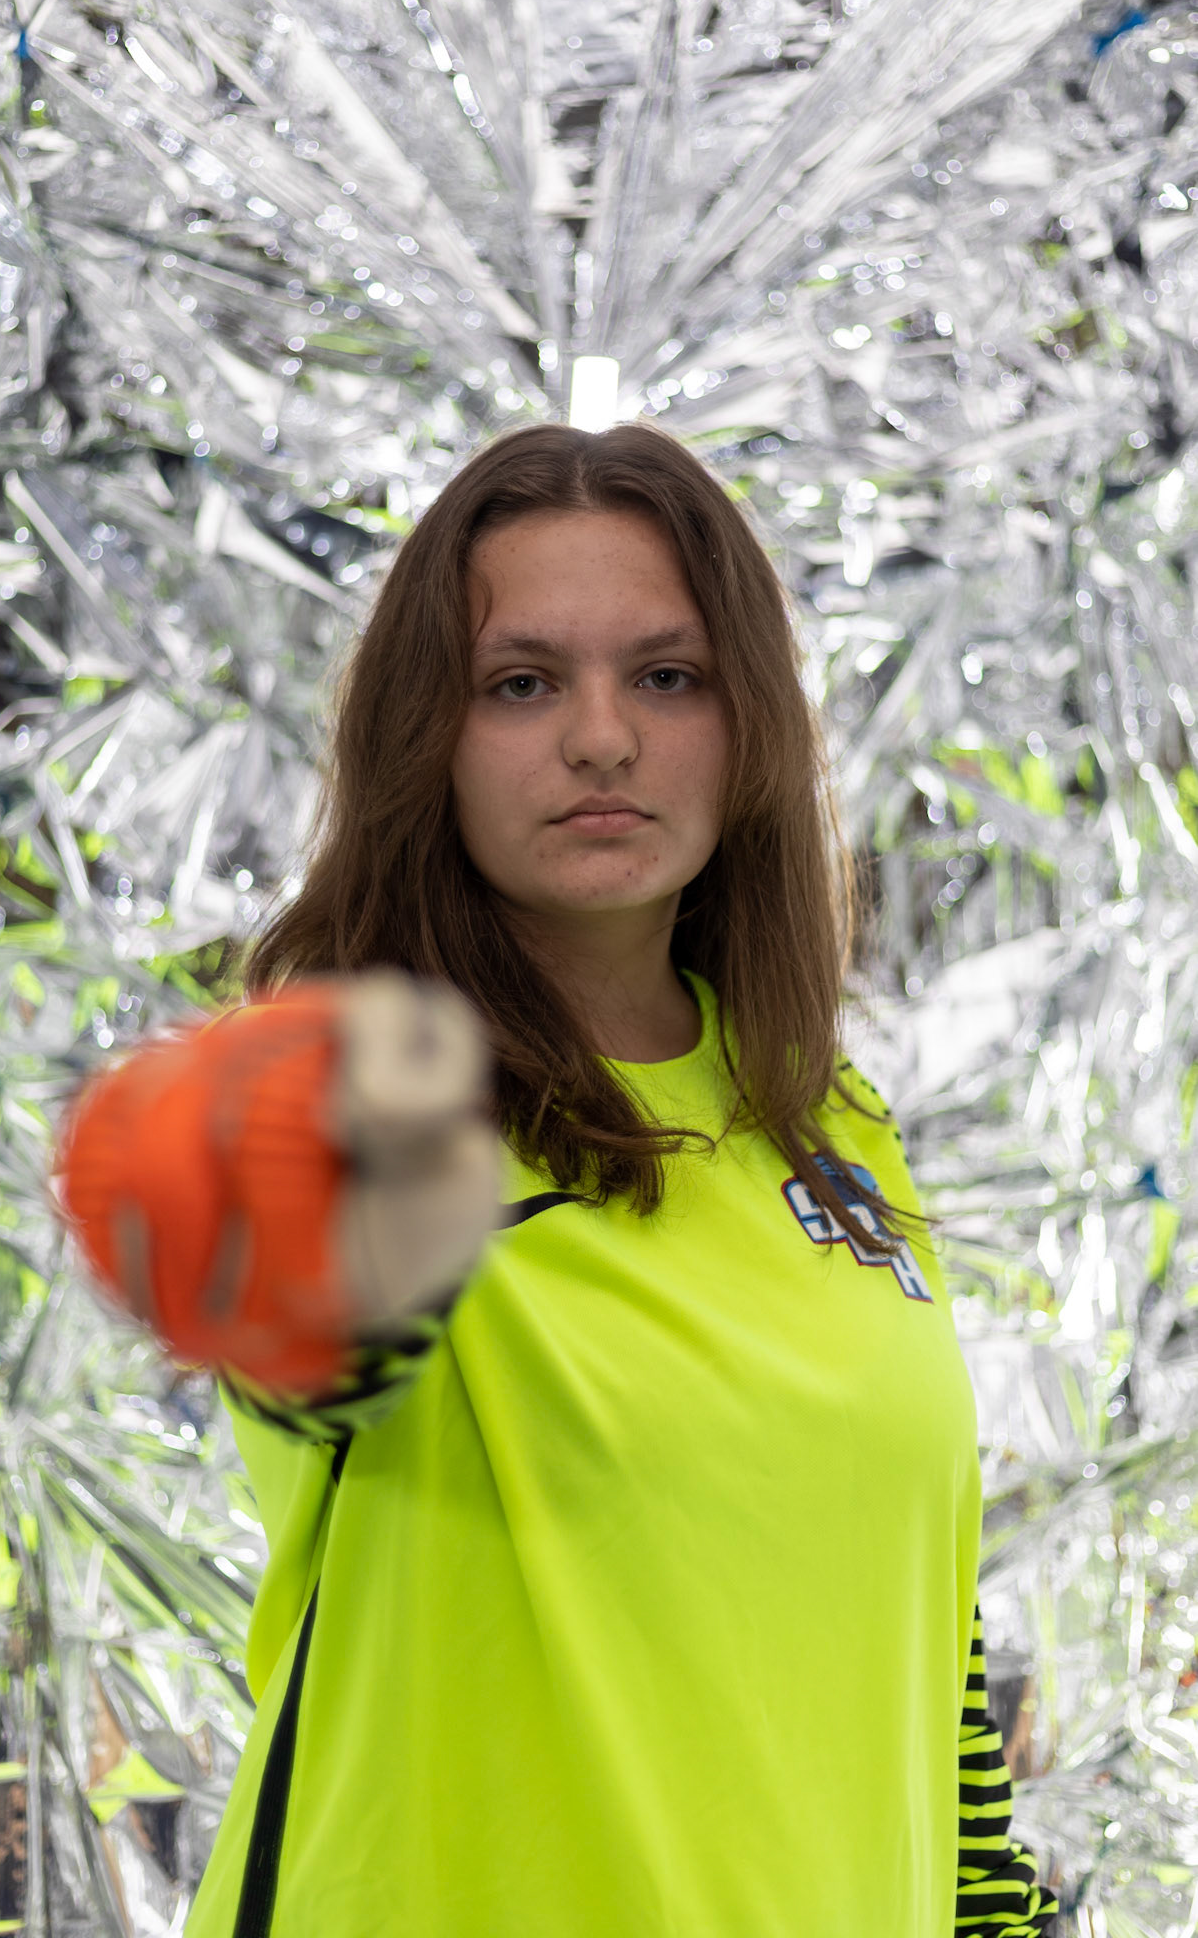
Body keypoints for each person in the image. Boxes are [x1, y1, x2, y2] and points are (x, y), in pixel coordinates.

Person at [57, 422, 1059, 1936]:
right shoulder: (385, 1111)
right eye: (520, 684)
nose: (601, 738)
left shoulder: (827, 1126)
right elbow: (245, 1249)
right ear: (428, 737)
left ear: (746, 726)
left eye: (666, 676)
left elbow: (923, 1672)